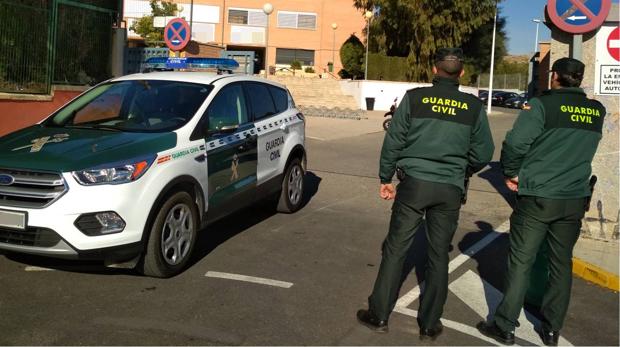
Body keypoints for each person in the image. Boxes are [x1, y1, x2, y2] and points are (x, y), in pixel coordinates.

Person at [356, 48, 494, 340]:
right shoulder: (472, 107)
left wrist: (386, 177)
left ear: (434, 70)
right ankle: (430, 324)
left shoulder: (415, 98)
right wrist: (461, 169)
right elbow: (484, 153)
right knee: (438, 254)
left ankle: (378, 314)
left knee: (395, 249)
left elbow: (394, 139)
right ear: (462, 73)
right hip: (450, 189)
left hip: (413, 184)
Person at [477, 57, 606, 346]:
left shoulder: (542, 105)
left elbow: (516, 143)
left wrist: (510, 172)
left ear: (556, 76)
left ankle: (505, 325)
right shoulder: (596, 111)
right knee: (561, 264)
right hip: (574, 198)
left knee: (521, 261)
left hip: (538, 196)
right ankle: (551, 329)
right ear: (580, 79)